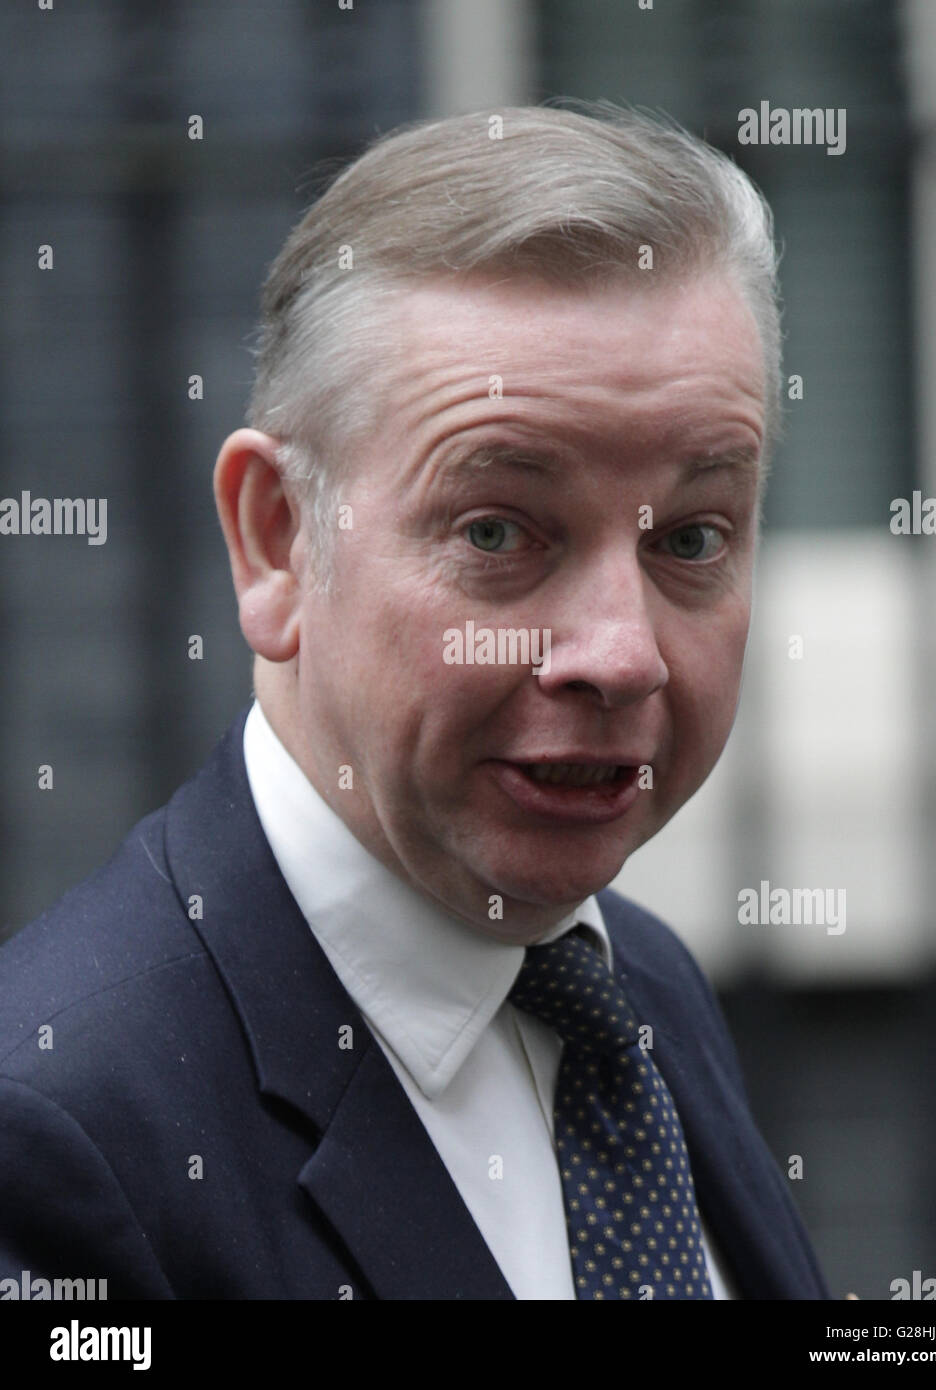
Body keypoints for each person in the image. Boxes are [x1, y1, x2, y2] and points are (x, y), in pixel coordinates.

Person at [0, 102, 829, 1300]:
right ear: (277, 542)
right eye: (497, 530)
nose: (621, 653)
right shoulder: (58, 1134)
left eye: (693, 535)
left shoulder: (637, 990)